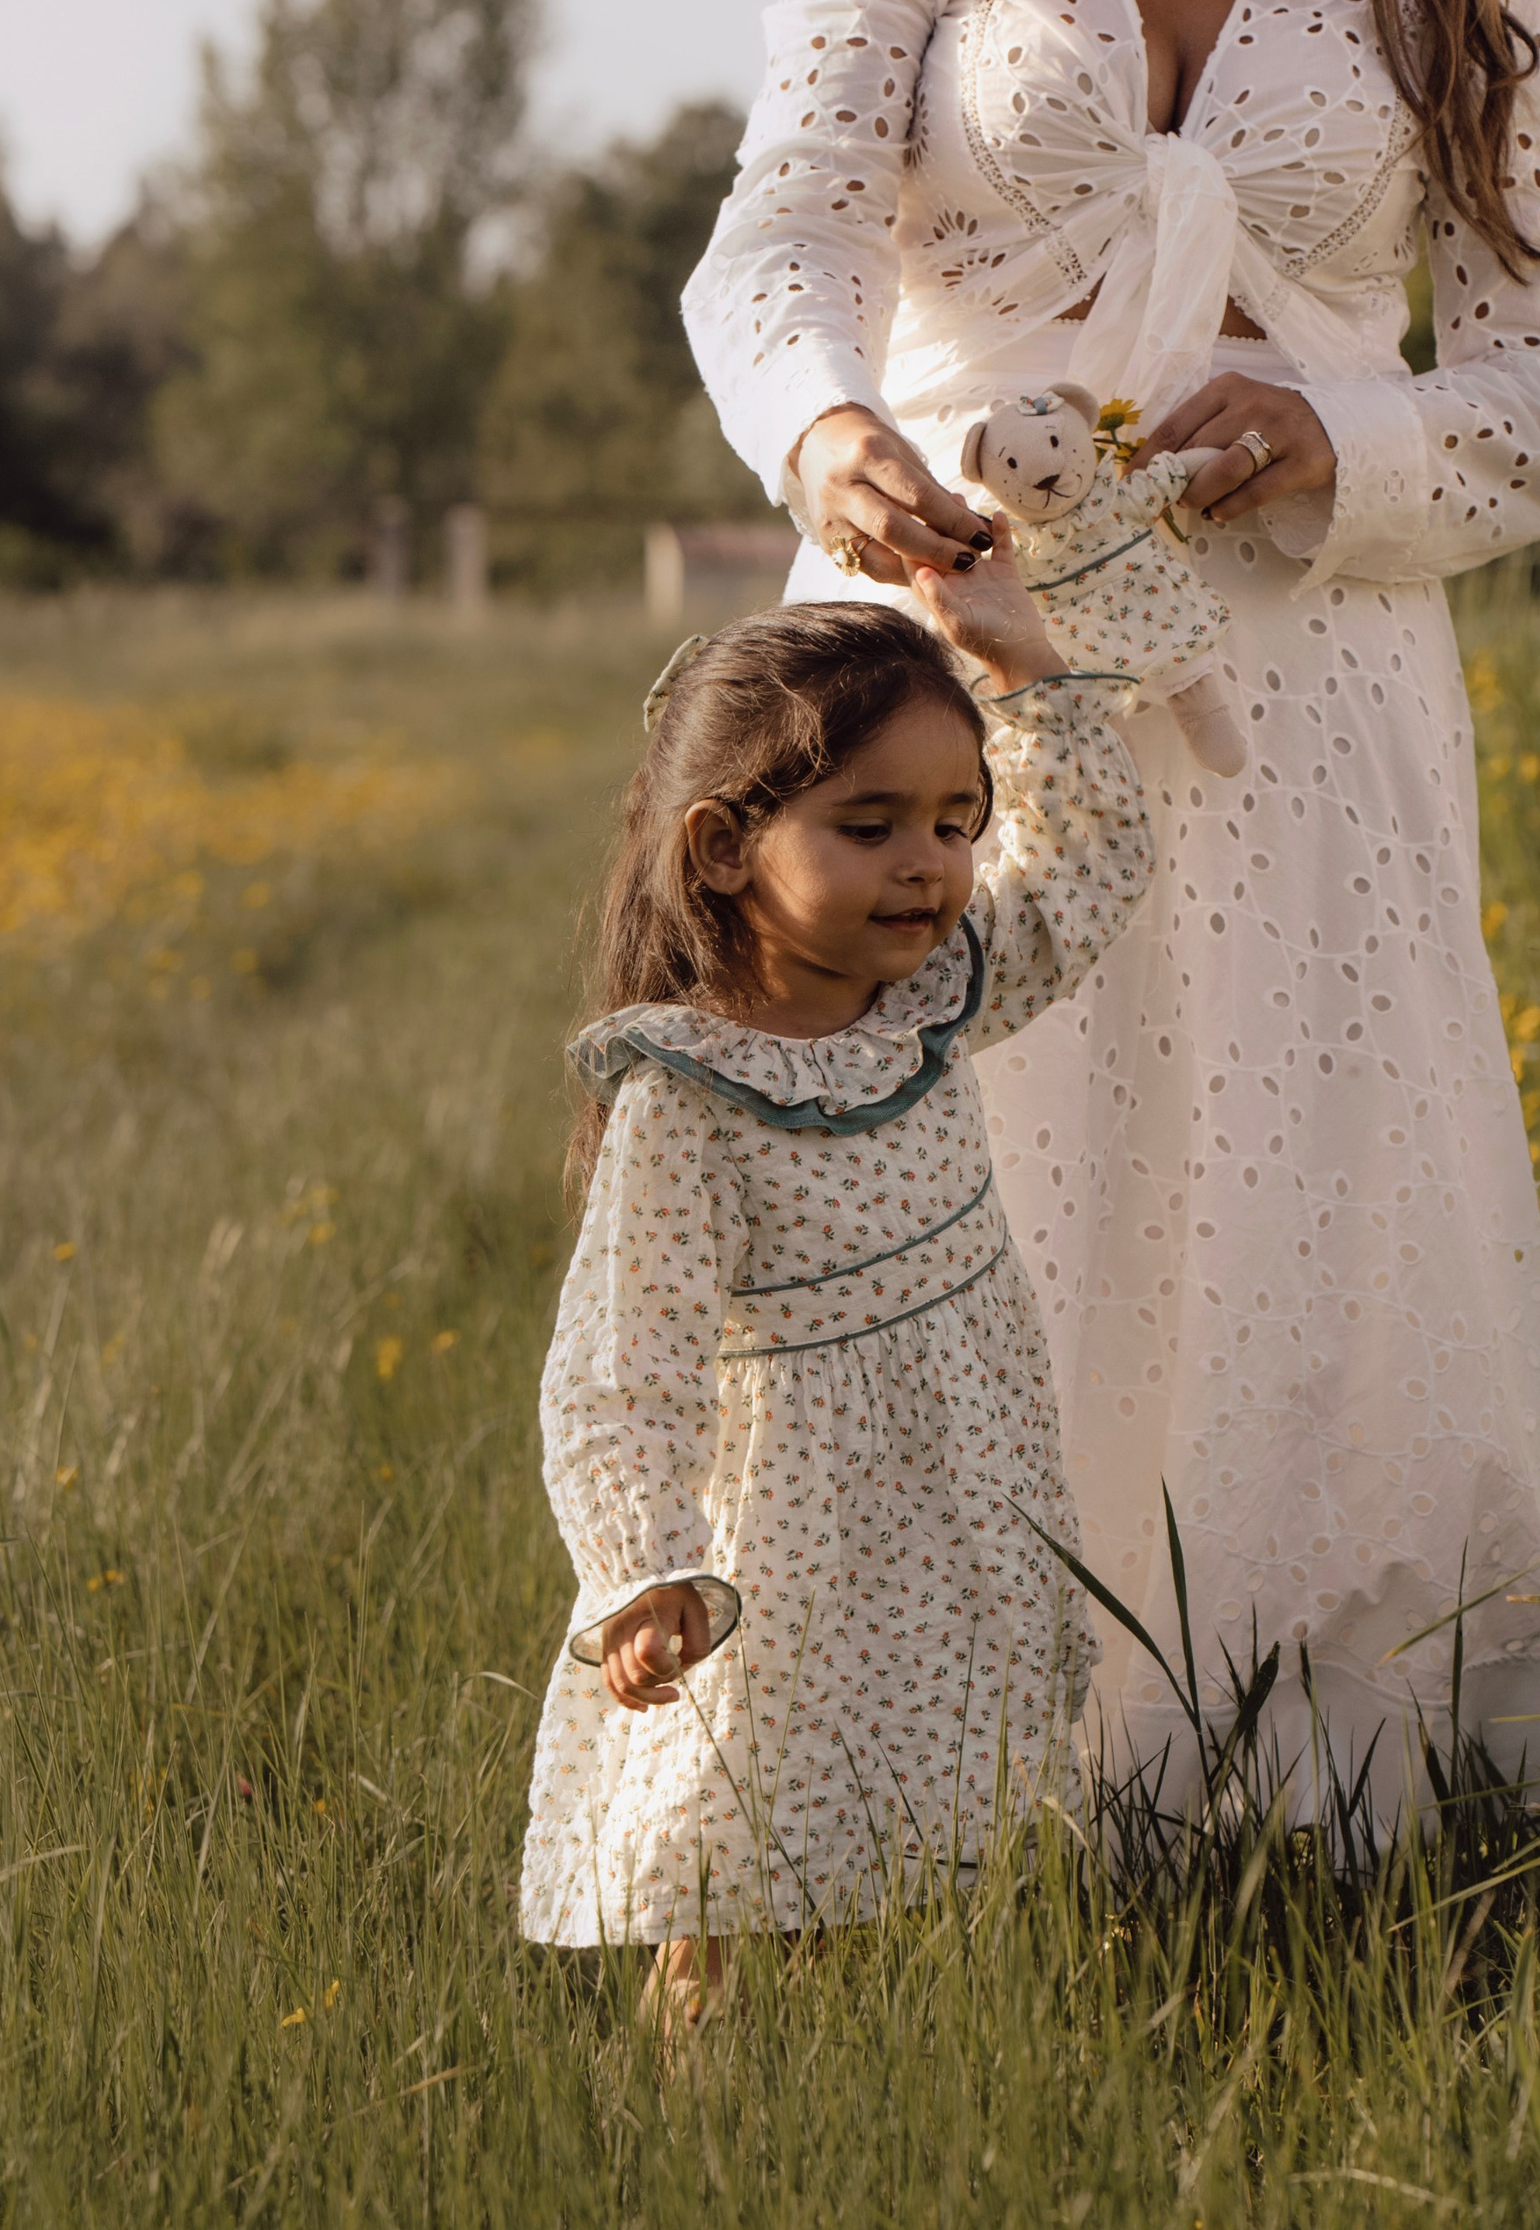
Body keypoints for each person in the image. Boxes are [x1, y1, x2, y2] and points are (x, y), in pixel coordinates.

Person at [682, 0, 1540, 1825]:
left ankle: (1261, 1809)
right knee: (917, 1214)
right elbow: (770, 240)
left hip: (1296, 684)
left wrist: (1337, 427)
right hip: (941, 677)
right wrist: (832, 427)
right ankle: (863, 1799)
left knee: (1288, 1238)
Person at [516, 554, 1151, 2025]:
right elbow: (628, 1361)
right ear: (727, 847)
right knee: (756, 1831)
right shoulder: (692, 1100)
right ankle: (711, 2100)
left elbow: (1095, 870)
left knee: (922, 1805)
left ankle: (883, 2064)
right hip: (798, 1542)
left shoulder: (926, 1004)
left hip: (962, 1494)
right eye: (868, 827)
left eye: (953, 821)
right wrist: (643, 1568)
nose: (927, 865)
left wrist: (1033, 678)